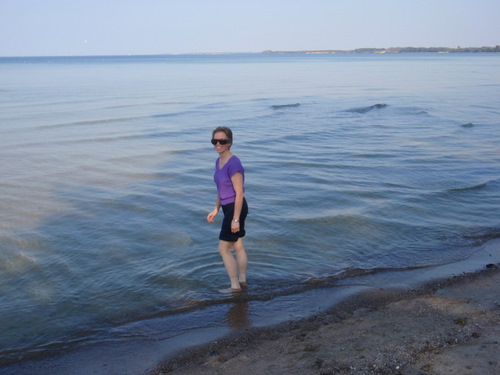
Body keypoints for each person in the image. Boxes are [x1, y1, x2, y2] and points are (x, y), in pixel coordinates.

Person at [207, 126, 249, 294]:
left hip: (235, 208)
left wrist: (235, 219)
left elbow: (239, 193)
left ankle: (234, 287)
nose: (218, 144)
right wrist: (216, 208)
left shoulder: (234, 163)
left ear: (229, 143)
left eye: (222, 141)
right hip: (227, 208)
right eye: (215, 141)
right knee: (237, 245)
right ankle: (242, 282)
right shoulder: (219, 161)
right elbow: (220, 189)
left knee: (223, 248)